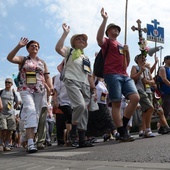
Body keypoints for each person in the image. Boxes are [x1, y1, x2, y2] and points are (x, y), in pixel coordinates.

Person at [96, 8, 139, 142]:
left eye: (117, 29)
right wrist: (105, 20)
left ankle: (122, 128)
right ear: (108, 31)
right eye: (113, 28)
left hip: (124, 75)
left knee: (135, 98)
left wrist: (128, 51)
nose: (116, 30)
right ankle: (122, 132)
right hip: (112, 74)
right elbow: (98, 39)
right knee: (116, 103)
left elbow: (126, 63)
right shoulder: (107, 41)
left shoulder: (121, 45)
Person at [7, 38, 53, 153]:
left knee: (36, 115)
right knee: (30, 110)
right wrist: (18, 46)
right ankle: (31, 143)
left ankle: (27, 137)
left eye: (37, 46)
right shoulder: (23, 59)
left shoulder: (42, 62)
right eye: (32, 45)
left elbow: (47, 76)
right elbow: (10, 58)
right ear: (27, 48)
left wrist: (50, 87)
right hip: (25, 88)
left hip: (40, 90)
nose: (35, 47)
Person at [55, 23, 97, 148]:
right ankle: (73, 130)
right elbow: (58, 48)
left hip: (84, 84)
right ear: (73, 42)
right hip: (71, 80)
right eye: (78, 38)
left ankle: (82, 140)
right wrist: (65, 34)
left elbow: (89, 75)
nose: (81, 40)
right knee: (80, 105)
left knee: (84, 111)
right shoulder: (70, 51)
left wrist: (93, 88)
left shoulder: (86, 58)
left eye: (83, 39)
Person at [130, 54, 155, 137]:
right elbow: (132, 78)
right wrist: (140, 71)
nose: (143, 59)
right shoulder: (135, 67)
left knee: (145, 112)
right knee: (150, 108)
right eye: (141, 58)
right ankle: (148, 129)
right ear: (137, 60)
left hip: (148, 91)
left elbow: (153, 81)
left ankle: (145, 131)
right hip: (140, 90)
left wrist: (148, 82)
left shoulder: (147, 69)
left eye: (144, 58)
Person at [53, 64, 73, 146]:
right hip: (63, 101)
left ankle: (69, 138)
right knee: (69, 118)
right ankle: (67, 138)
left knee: (70, 119)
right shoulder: (59, 76)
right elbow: (56, 89)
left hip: (72, 101)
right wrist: (55, 101)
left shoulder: (73, 75)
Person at [0, 78, 19, 151]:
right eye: (6, 82)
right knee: (3, 129)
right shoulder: (1, 92)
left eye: (9, 82)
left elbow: (17, 101)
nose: (7, 83)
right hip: (2, 113)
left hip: (11, 114)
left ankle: (7, 144)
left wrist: (15, 107)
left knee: (10, 130)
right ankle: (1, 143)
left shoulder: (13, 93)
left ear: (11, 84)